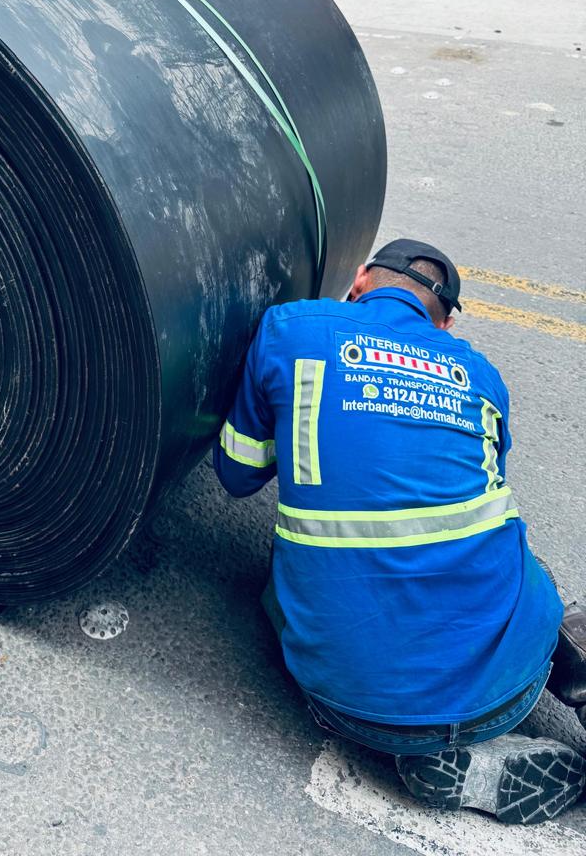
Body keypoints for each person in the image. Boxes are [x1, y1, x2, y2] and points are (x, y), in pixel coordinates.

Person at [215, 239, 586, 825]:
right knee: (514, 559)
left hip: (342, 699)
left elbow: (236, 476)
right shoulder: (480, 375)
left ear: (360, 278)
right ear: (448, 320)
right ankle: (570, 671)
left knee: (280, 584)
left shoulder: (291, 329)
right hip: (503, 689)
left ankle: (421, 752)